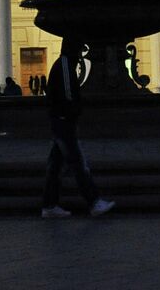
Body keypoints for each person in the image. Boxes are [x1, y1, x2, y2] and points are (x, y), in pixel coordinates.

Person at [40, 38, 114, 219]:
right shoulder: (65, 65)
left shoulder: (64, 64)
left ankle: (49, 205)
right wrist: (72, 112)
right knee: (78, 162)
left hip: (60, 119)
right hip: (63, 121)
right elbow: (67, 93)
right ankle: (94, 201)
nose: (81, 52)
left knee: (55, 166)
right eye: (79, 48)